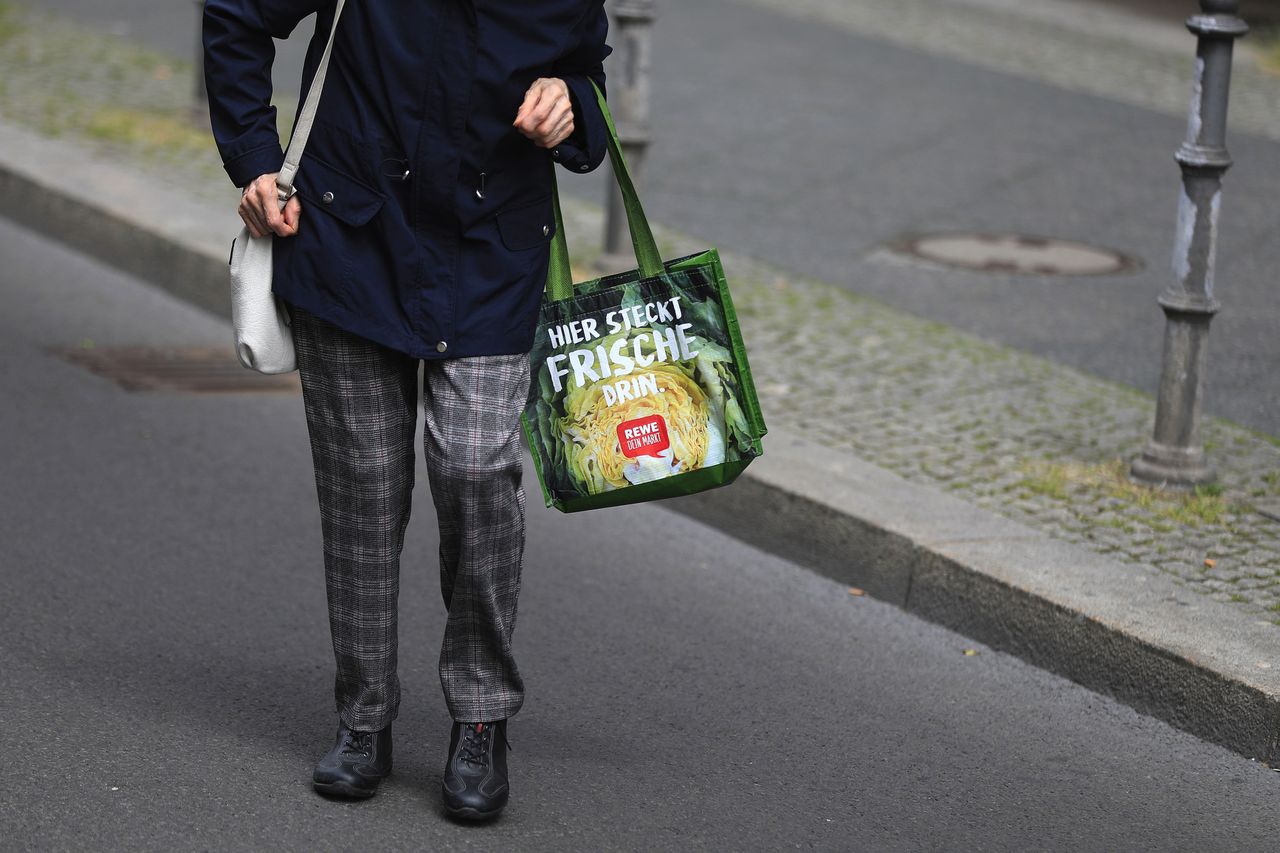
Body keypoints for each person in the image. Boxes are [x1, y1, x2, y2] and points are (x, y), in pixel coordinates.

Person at [202, 0, 611, 821]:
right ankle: (363, 716)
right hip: (352, 235)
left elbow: (589, 89)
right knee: (365, 485)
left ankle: (482, 716)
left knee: (477, 468)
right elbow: (238, 15)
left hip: (493, 252)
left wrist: (568, 108)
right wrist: (253, 157)